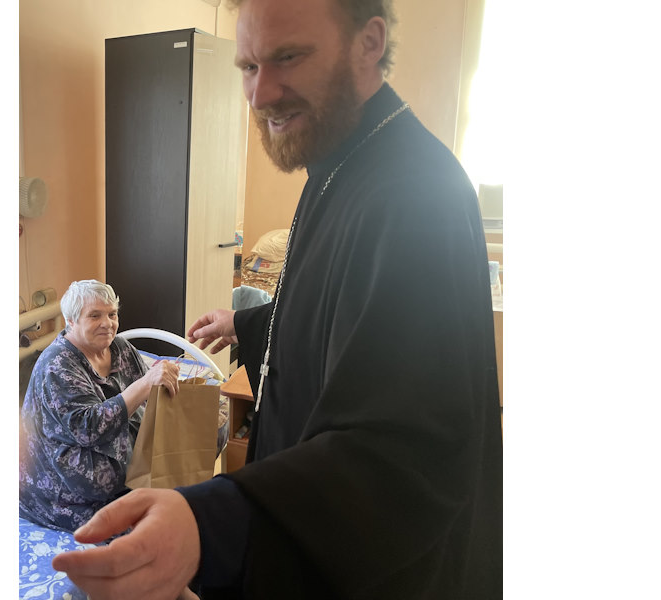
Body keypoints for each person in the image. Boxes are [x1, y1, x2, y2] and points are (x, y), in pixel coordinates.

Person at [52, 0, 503, 597]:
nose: (261, 95)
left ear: (368, 44)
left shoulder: (417, 195)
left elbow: (403, 450)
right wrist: (249, 322)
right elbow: (342, 309)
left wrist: (208, 523)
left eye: (288, 57)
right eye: (248, 66)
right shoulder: (340, 163)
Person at [19, 279, 180, 532]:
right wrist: (145, 385)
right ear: (71, 321)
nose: (107, 323)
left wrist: (167, 386)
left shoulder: (119, 347)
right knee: (108, 477)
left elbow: (152, 395)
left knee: (201, 430)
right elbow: (89, 429)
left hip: (112, 459)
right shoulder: (57, 365)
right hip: (64, 489)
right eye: (95, 315)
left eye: (112, 314)